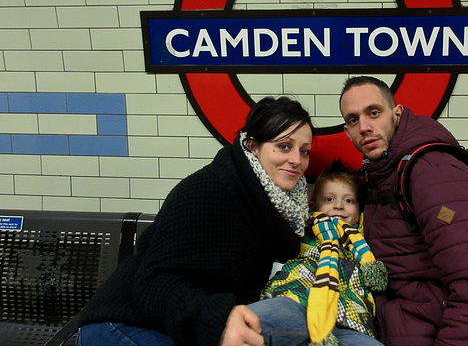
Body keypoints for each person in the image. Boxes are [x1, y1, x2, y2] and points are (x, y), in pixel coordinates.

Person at [76, 96, 314, 346]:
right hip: (121, 325)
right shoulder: (209, 189)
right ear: (253, 146)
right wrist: (217, 319)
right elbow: (153, 283)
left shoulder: (279, 209)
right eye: (284, 146)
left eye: (304, 151)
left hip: (180, 326)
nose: (297, 160)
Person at [338, 76, 468, 346]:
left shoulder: (433, 174)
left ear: (397, 115)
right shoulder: (381, 176)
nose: (364, 127)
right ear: (346, 131)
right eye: (353, 120)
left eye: (374, 113)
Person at [248, 159, 387, 346]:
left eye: (348, 200)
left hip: (351, 320)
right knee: (250, 321)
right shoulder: (304, 227)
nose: (339, 206)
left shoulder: (364, 238)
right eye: (329, 199)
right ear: (313, 204)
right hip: (296, 299)